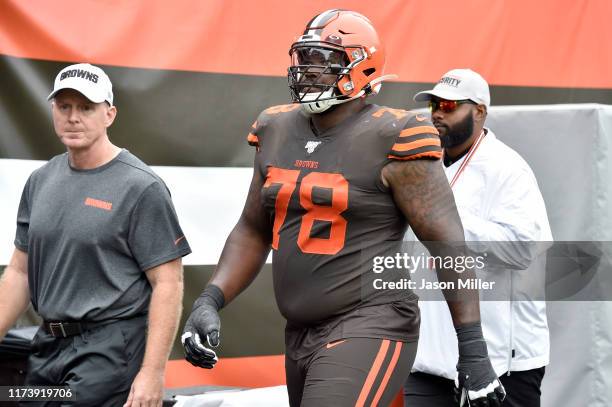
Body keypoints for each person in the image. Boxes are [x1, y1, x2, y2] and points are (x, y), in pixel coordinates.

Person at [183, 10, 504, 407]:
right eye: (306, 59)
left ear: (363, 67)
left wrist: (472, 348)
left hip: (372, 321)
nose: (308, 71)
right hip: (299, 331)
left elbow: (448, 245)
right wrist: (209, 300)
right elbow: (253, 228)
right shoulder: (274, 127)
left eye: (325, 62)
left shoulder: (396, 133)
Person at [0, 63, 191, 406]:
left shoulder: (141, 187)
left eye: (86, 107)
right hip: (47, 344)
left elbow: (169, 282)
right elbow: (18, 272)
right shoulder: (40, 181)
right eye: (64, 106)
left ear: (109, 114)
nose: (73, 117)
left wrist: (152, 373)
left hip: (108, 347)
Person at [404, 69, 552, 407]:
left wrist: (445, 223)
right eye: (434, 105)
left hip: (502, 359)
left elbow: (521, 249)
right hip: (431, 356)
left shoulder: (507, 168)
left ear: (480, 111)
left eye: (449, 105)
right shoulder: (424, 165)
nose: (438, 113)